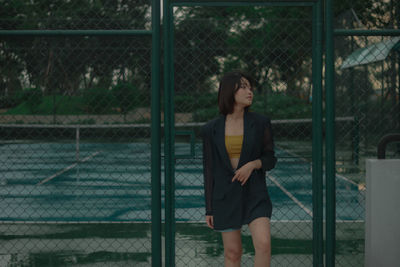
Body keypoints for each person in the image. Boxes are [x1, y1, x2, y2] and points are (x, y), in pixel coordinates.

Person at [201, 71, 277, 267]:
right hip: (225, 196)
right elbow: (209, 169)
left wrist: (252, 165)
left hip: (255, 194)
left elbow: (270, 159)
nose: (249, 91)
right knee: (233, 253)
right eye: (243, 87)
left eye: (249, 87)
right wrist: (209, 207)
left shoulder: (261, 123)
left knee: (263, 244)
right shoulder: (211, 129)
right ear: (229, 92)